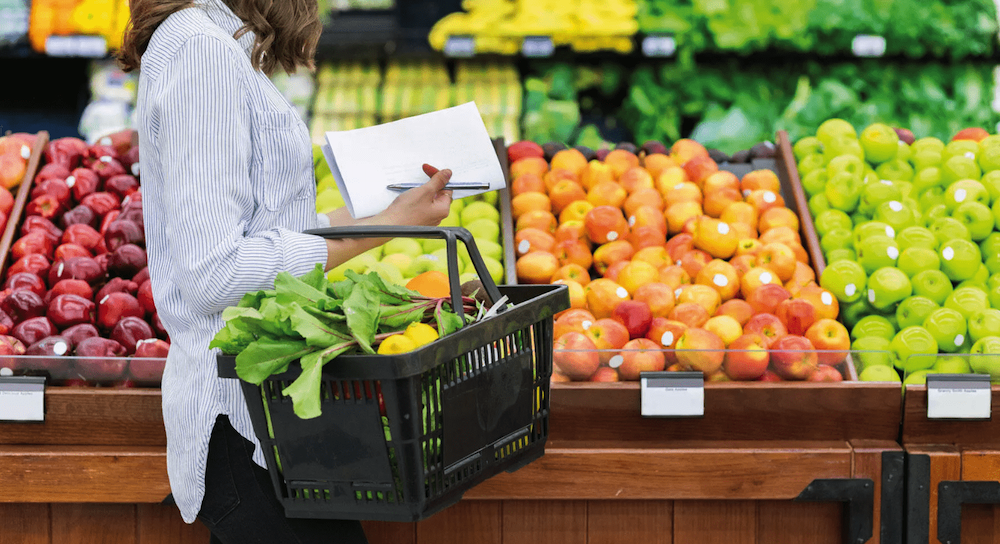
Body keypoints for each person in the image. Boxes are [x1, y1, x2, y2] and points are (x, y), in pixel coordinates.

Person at [117, 0, 453, 541]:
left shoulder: (213, 44)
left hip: (272, 421)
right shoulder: (201, 52)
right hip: (243, 425)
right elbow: (216, 272)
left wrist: (391, 217)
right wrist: (380, 227)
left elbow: (264, 233)